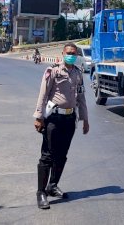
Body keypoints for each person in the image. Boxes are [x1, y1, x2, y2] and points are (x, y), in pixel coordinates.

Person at [33, 43, 89, 210]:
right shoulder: (53, 71)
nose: (71, 55)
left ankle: (53, 185)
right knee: (47, 156)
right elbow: (43, 94)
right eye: (68, 53)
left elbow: (81, 97)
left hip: (69, 119)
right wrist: (38, 116)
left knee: (62, 155)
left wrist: (85, 119)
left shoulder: (78, 73)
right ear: (63, 53)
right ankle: (41, 193)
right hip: (54, 119)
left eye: (74, 53)